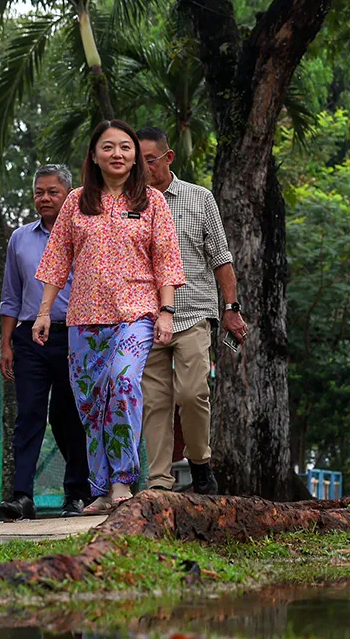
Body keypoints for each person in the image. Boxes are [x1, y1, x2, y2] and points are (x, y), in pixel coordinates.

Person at [33, 119, 185, 515]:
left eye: (125, 147)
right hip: (84, 319)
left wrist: (166, 312)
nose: (117, 154)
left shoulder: (151, 201)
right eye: (108, 147)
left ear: (135, 156)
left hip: (135, 315)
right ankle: (100, 489)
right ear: (94, 156)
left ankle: (122, 480)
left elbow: (167, 261)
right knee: (90, 402)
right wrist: (44, 312)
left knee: (122, 385)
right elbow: (56, 260)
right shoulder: (76, 202)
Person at [137, 127, 247, 494]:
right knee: (154, 402)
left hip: (193, 313)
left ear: (168, 158)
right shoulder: (128, 204)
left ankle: (200, 463)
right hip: (145, 318)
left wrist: (231, 308)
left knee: (192, 393)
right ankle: (159, 482)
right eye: (138, 161)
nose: (143, 167)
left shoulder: (199, 198)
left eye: (148, 160)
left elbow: (221, 258)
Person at [0, 165, 90, 521]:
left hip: (75, 335)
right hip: (29, 338)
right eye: (39, 192)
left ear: (69, 193)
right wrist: (6, 345)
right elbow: (10, 297)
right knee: (29, 416)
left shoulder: (85, 233)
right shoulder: (20, 238)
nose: (45, 198)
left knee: (69, 418)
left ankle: (77, 494)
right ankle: (22, 496)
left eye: (52, 191)